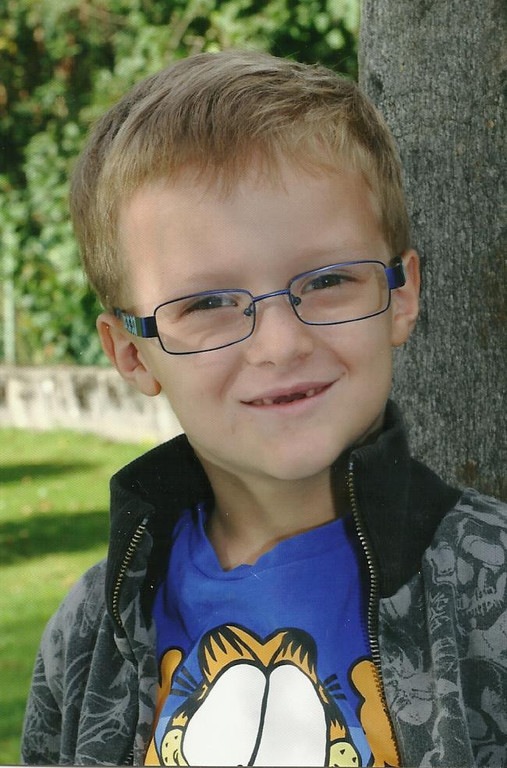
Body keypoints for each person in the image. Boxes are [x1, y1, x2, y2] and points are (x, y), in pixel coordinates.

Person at [22, 50, 506, 767]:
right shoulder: (89, 633)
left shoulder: (493, 592)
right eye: (207, 303)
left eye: (328, 280)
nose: (280, 345)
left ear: (400, 295)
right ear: (131, 353)